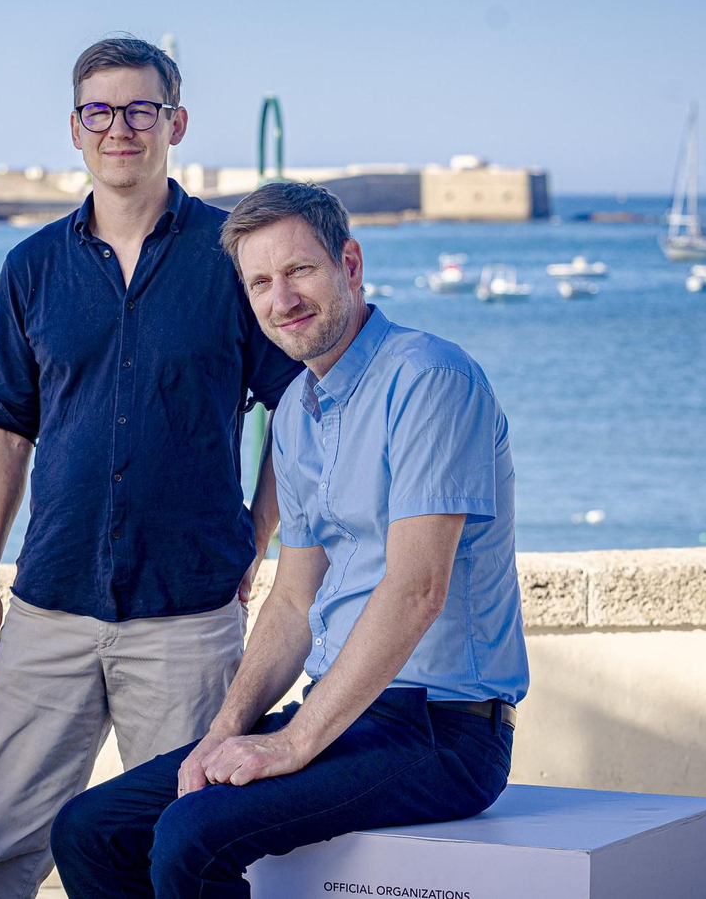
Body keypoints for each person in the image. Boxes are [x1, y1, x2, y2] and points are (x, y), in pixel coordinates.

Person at [49, 181, 529, 899]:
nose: (282, 299)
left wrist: (294, 742)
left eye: (299, 270)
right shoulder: (297, 414)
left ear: (349, 264)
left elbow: (417, 589)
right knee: (91, 828)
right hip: (341, 713)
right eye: (260, 283)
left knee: (192, 835)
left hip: (443, 731)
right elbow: (293, 599)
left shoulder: (429, 379)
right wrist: (226, 731)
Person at [0, 37, 305, 898]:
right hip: (49, 606)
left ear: (174, 123)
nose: (120, 128)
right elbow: (6, 424)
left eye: (141, 109)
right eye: (100, 112)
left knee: (179, 845)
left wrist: (255, 535)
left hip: (187, 613)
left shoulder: (232, 255)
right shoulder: (31, 267)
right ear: (75, 128)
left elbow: (294, 408)